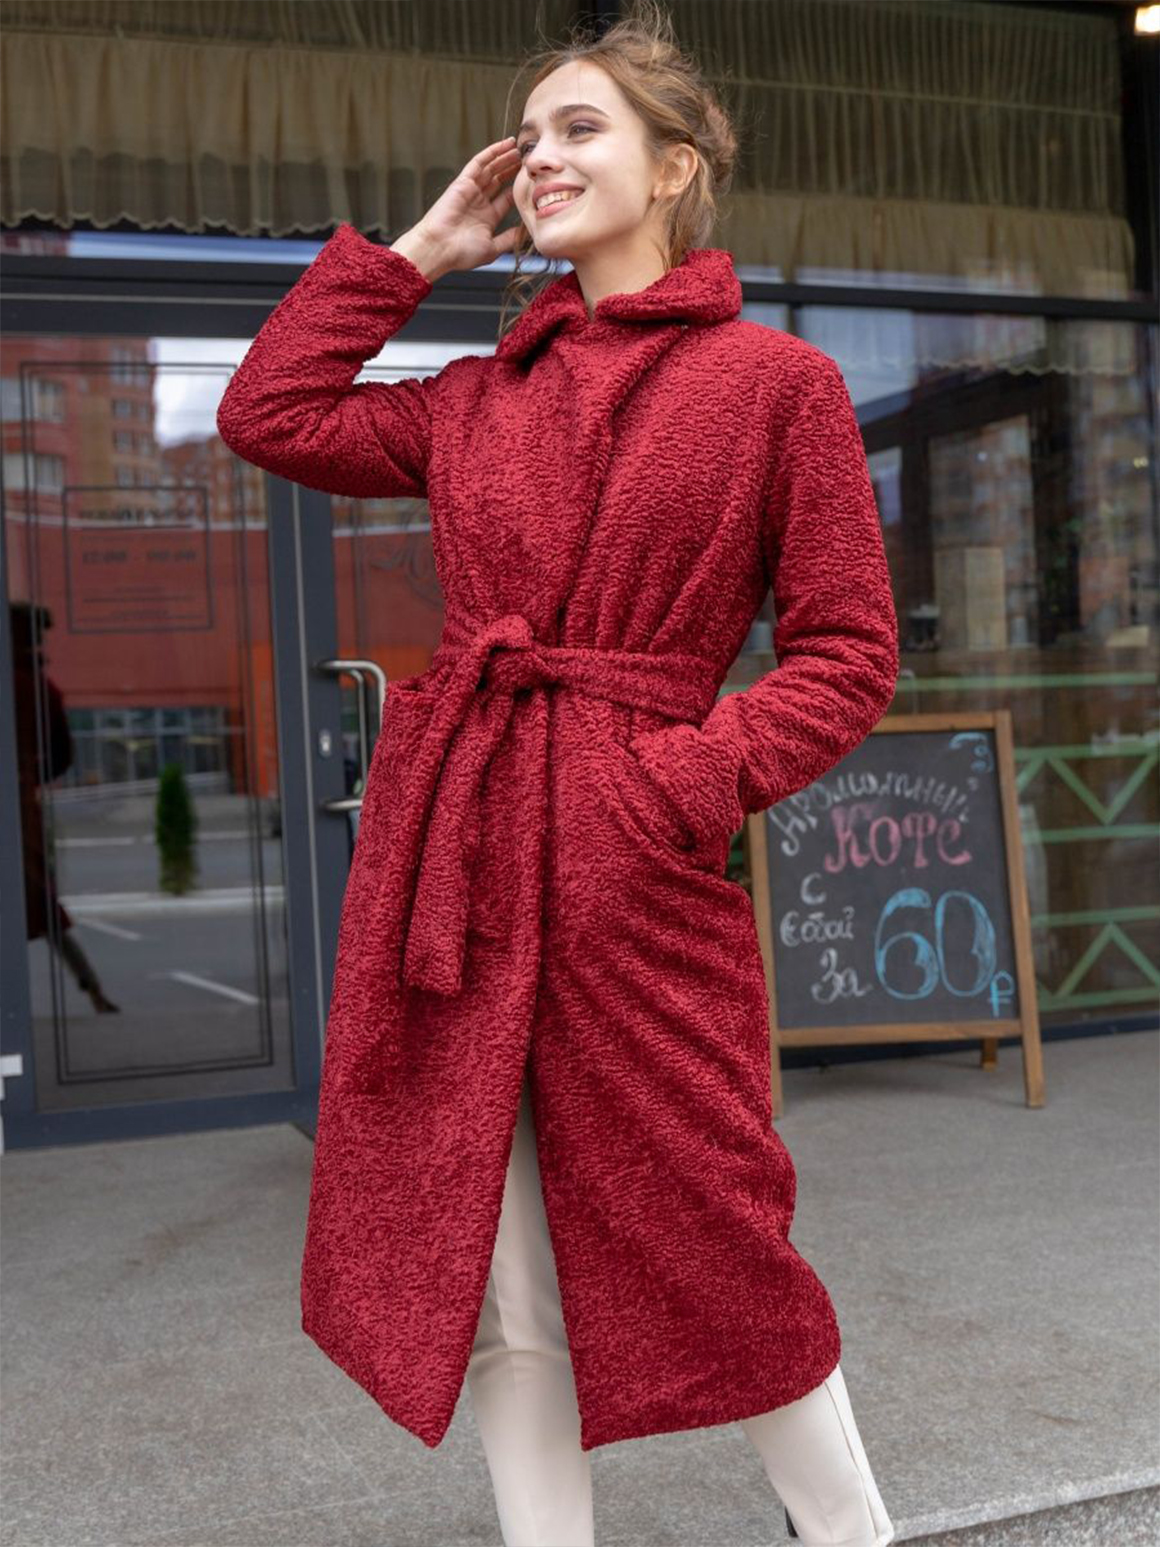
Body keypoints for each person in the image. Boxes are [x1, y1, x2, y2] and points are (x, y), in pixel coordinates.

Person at [216, 5, 898, 1544]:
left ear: (678, 165)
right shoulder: (477, 396)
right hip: (456, 855)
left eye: (580, 129)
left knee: (722, 1234)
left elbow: (850, 651)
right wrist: (425, 250)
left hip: (630, 864)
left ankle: (855, 1532)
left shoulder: (775, 384)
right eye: (528, 138)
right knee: (499, 1265)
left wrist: (676, 788)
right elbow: (270, 413)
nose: (539, 159)